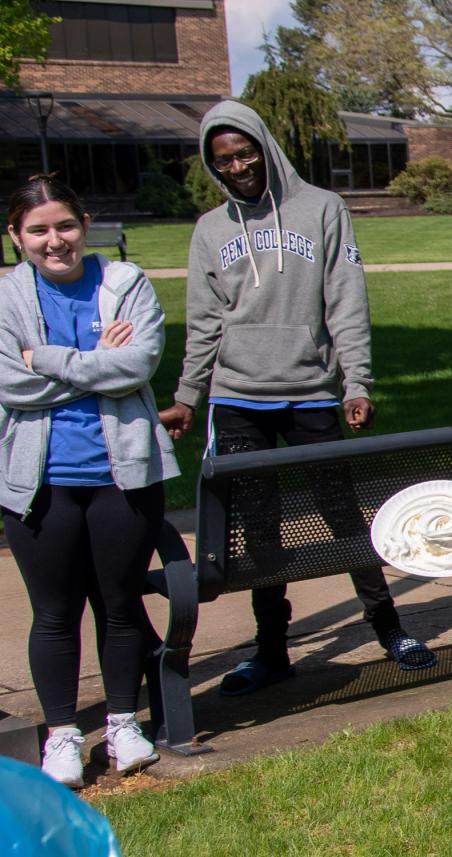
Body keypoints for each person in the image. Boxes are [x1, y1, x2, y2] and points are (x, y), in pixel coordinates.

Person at [156, 100, 436, 696]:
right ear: (212, 166)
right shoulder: (210, 230)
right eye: (223, 160)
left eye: (244, 152)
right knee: (260, 532)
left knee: (341, 516)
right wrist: (188, 395)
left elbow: (346, 301)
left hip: (311, 392)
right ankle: (271, 649)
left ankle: (389, 626)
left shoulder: (321, 209)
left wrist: (355, 382)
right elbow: (203, 321)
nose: (236, 167)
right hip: (237, 398)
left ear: (264, 145)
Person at [1, 174, 180, 787]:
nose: (56, 241)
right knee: (53, 613)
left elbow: (137, 366)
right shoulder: (6, 298)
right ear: (17, 237)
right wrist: (97, 363)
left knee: (120, 603)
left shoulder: (124, 283)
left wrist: (45, 357)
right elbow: (8, 385)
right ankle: (62, 736)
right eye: (39, 230)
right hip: (40, 483)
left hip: (122, 476)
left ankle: (123, 723)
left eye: (66, 225)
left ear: (85, 223)